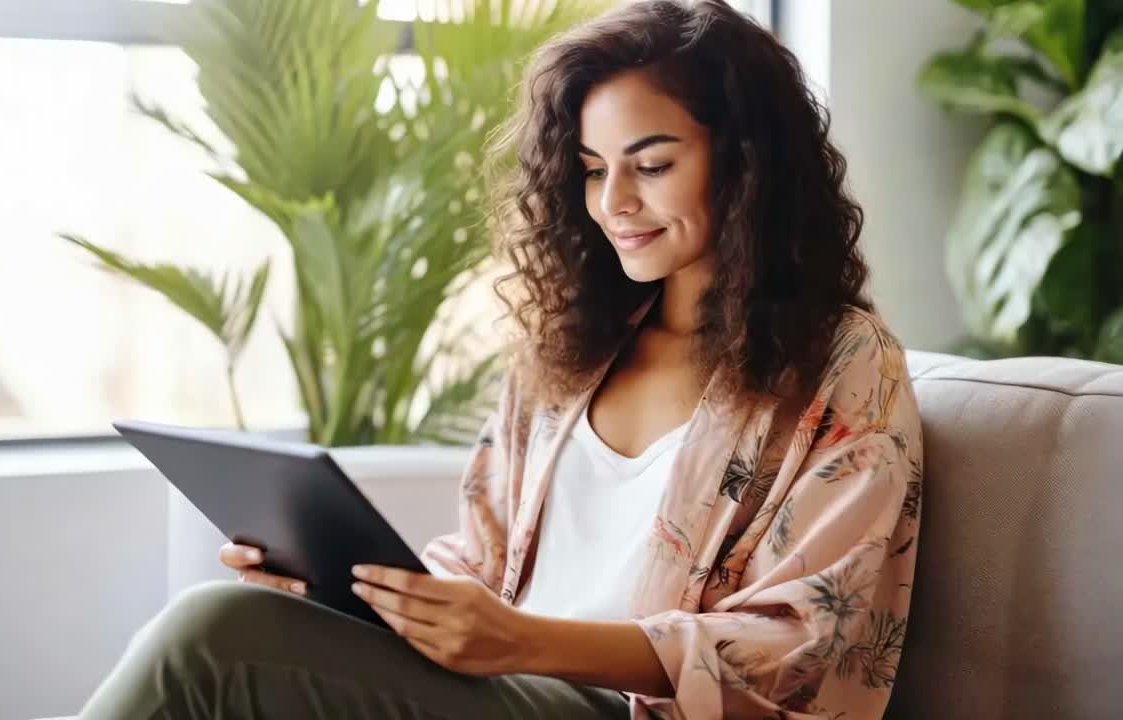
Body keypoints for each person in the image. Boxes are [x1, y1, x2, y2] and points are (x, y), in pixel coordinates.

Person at [78, 1, 923, 718]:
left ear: (746, 165)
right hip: (499, 684)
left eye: (652, 164)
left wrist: (523, 641)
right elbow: (482, 567)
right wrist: (348, 593)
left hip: (613, 705)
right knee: (240, 622)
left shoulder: (842, 364)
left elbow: (810, 644)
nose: (614, 204)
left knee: (213, 636)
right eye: (592, 171)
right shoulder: (572, 352)